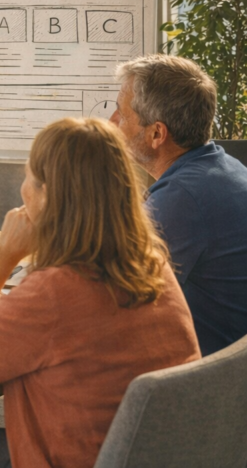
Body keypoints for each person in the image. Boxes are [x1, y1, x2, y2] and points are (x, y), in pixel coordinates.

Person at [0, 118, 200, 468]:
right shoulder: (154, 265)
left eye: (28, 177)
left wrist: (2, 256)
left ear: (49, 196)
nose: (22, 190)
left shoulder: (55, 292)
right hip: (158, 455)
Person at [111, 54, 247, 356]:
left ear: (157, 133)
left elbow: (111, 301)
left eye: (121, 113)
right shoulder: (225, 167)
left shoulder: (181, 198)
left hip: (201, 383)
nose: (112, 122)